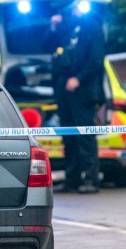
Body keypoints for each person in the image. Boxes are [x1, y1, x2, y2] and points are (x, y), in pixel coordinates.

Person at [50, 10, 106, 194]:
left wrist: (79, 79)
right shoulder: (65, 28)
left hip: (84, 91)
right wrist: (53, 27)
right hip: (65, 91)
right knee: (69, 136)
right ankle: (71, 179)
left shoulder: (93, 27)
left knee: (85, 136)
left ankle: (91, 179)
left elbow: (96, 61)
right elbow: (47, 47)